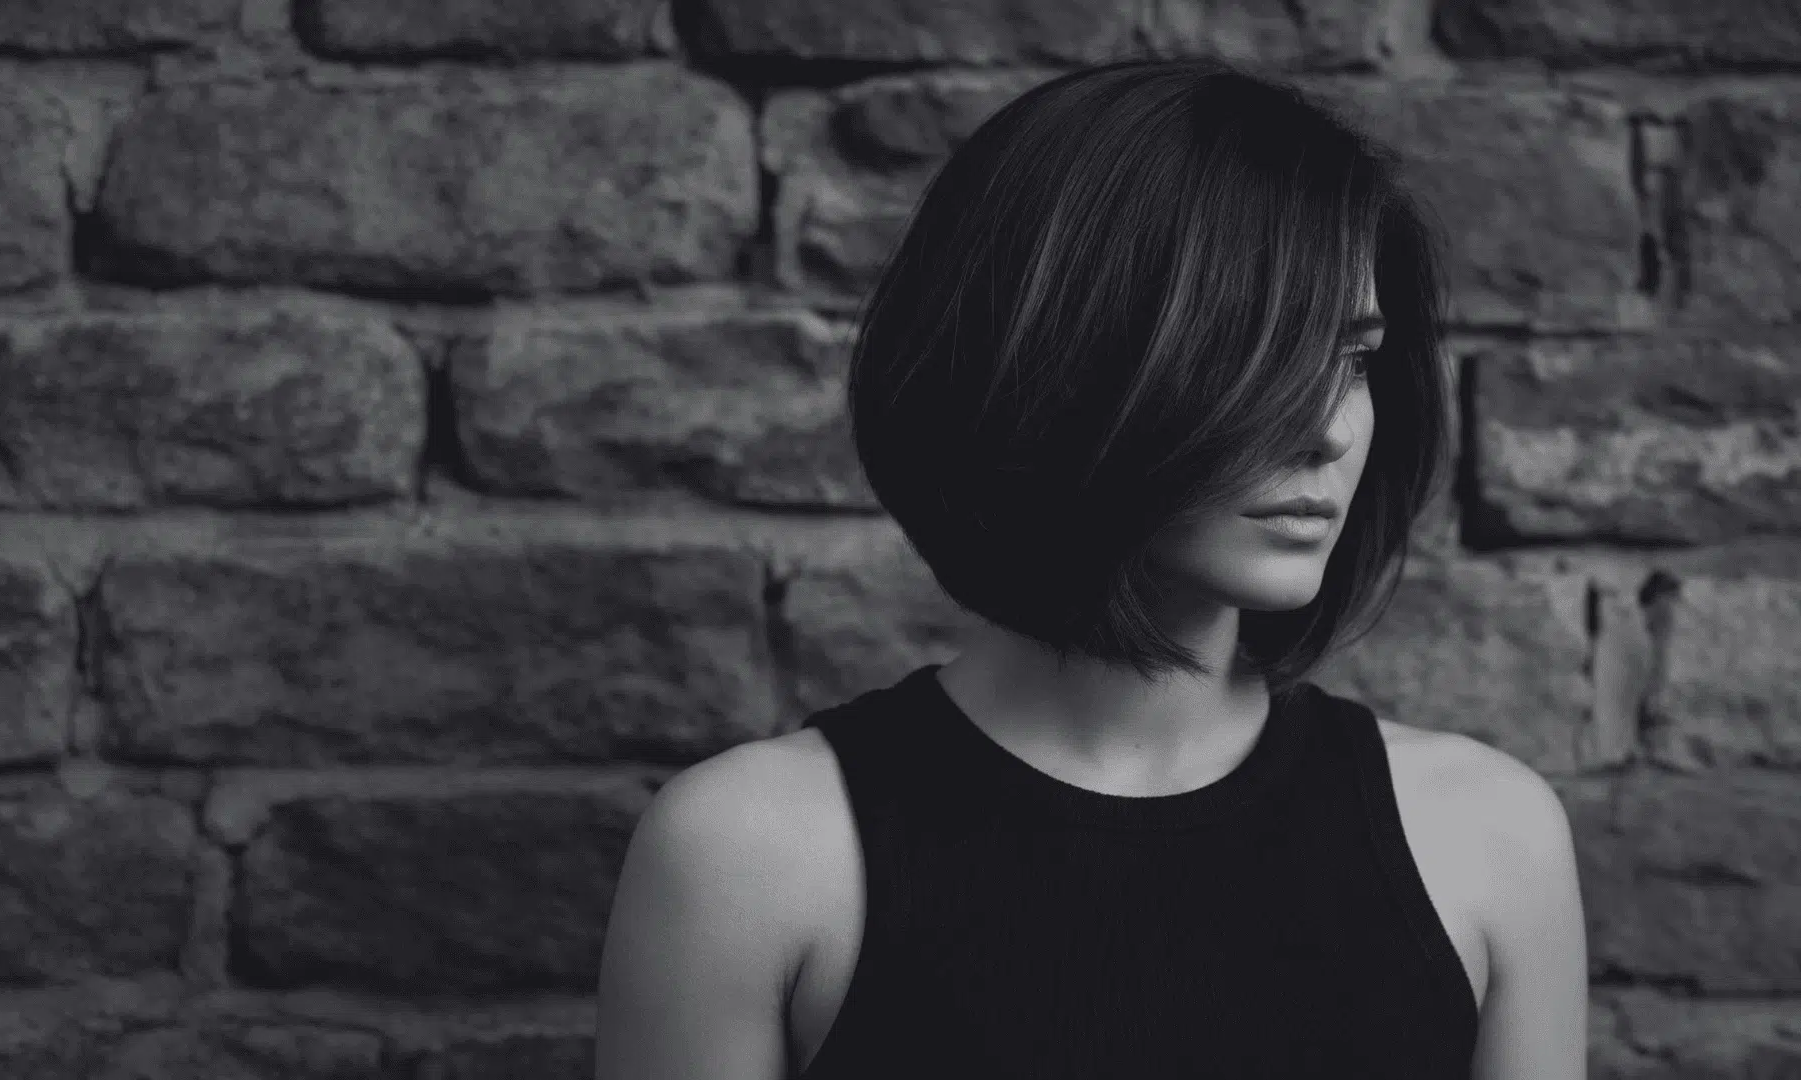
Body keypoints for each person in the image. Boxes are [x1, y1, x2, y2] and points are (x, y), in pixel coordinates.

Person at [595, 57, 1587, 1079]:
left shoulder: (1486, 841)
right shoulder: (750, 859)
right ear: (1061, 363)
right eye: (1256, 350)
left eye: (1355, 359)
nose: (1326, 431)